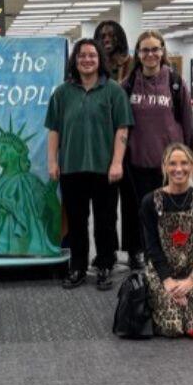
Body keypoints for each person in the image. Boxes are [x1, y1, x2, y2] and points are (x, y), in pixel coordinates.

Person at [45, 37, 133, 290]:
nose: (87, 60)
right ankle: (78, 267)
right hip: (71, 167)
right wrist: (52, 161)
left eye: (92, 55)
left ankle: (105, 265)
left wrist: (117, 162)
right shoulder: (62, 92)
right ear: (75, 60)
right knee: (76, 221)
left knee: (106, 221)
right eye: (82, 55)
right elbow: (54, 130)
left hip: (105, 168)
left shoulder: (113, 91)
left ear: (100, 60)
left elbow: (122, 128)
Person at [120, 30, 193, 270]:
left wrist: (189, 159)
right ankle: (135, 252)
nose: (150, 54)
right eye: (145, 50)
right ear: (138, 54)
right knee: (136, 210)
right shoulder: (128, 84)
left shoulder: (174, 82)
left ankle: (168, 253)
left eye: (155, 49)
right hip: (136, 159)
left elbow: (187, 120)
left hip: (169, 163)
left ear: (162, 52)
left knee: (169, 210)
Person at [140, 143, 193, 339]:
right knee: (172, 328)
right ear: (164, 167)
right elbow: (151, 246)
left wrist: (192, 281)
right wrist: (168, 282)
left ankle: (192, 302)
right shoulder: (150, 201)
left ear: (192, 166)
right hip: (162, 272)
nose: (178, 169)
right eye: (172, 163)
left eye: (184, 163)